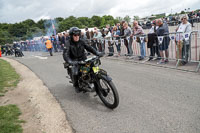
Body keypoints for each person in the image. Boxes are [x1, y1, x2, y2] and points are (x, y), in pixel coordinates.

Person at [63, 27, 103, 93]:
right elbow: (65, 54)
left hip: (83, 59)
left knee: (93, 67)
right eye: (75, 35)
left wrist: (97, 53)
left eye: (78, 35)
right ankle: (76, 85)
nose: (77, 36)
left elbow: (89, 48)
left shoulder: (81, 41)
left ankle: (96, 78)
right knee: (75, 72)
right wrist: (70, 61)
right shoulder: (68, 43)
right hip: (74, 60)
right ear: (71, 36)